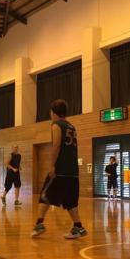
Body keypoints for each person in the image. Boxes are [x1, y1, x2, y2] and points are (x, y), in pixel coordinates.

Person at [32, 99, 87, 239]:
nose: (50, 115)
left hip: (60, 170)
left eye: (50, 112)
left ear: (54, 112)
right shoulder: (71, 126)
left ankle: (39, 224)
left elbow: (56, 145)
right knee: (70, 201)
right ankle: (78, 227)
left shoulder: (56, 125)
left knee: (44, 195)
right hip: (73, 171)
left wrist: (52, 165)